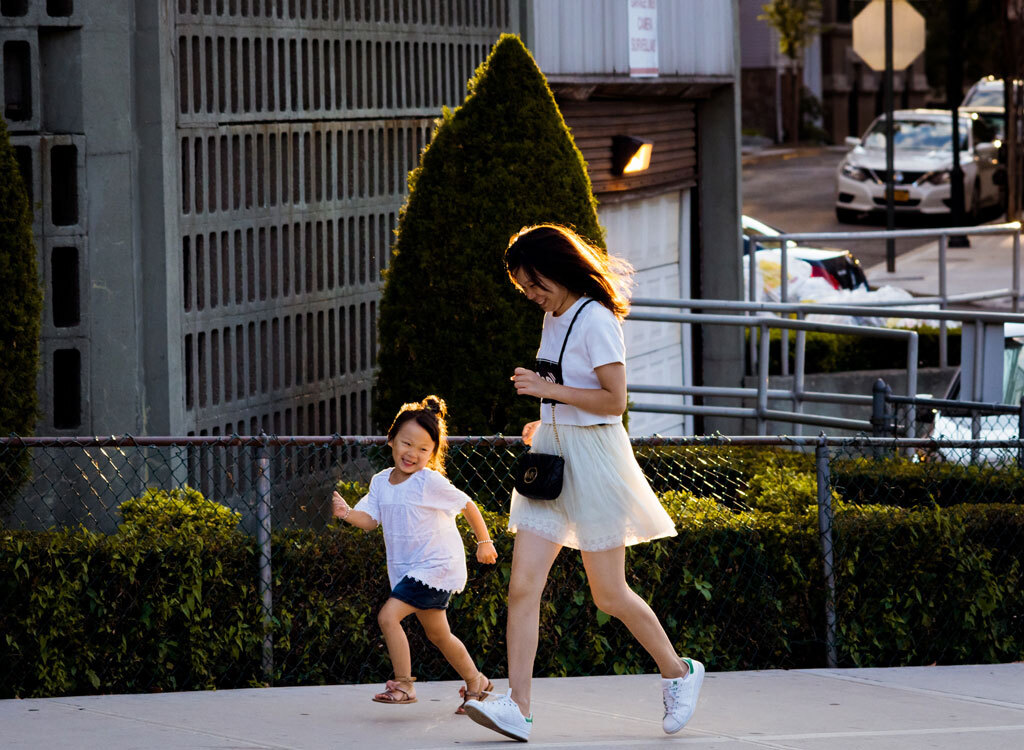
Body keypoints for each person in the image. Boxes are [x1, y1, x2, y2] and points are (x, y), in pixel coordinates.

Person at [462, 225, 705, 741]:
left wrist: (550, 392)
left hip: (595, 458)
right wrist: (546, 416)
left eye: (534, 284)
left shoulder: (597, 319)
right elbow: (570, 393)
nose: (531, 296)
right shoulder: (554, 316)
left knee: (609, 593)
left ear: (557, 268)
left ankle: (679, 673)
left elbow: (614, 401)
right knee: (522, 587)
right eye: (524, 288)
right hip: (552, 453)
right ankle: (518, 708)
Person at [331, 395, 498, 712]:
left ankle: (404, 685)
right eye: (407, 444)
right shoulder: (381, 481)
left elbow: (467, 505)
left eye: (424, 449)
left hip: (435, 567)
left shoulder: (428, 481)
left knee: (387, 616)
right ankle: (478, 682)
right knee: (439, 635)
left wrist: (484, 542)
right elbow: (369, 521)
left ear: (433, 453)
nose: (414, 454)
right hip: (409, 572)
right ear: (392, 440)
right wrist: (346, 513)